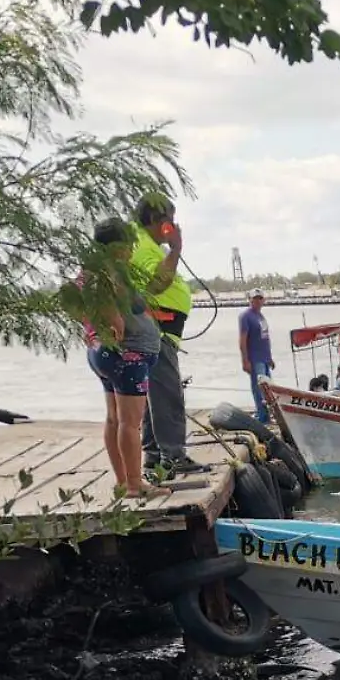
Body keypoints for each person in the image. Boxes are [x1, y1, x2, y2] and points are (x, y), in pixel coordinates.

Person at [76, 219, 168, 499]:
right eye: (128, 243)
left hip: (105, 353)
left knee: (115, 419)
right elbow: (112, 315)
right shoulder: (108, 275)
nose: (132, 249)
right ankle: (134, 483)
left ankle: (123, 480)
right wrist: (116, 331)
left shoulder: (88, 273)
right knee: (130, 422)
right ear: (117, 246)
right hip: (126, 355)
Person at [130, 194, 199, 476]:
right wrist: (176, 248)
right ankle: (173, 454)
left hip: (162, 331)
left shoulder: (148, 245)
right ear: (158, 222)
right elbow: (157, 284)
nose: (173, 225)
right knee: (168, 393)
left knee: (155, 395)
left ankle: (155, 454)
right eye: (170, 220)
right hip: (158, 330)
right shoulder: (144, 247)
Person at [238, 289, 276, 421]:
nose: (258, 301)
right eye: (255, 298)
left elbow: (266, 338)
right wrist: (245, 361)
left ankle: (268, 414)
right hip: (255, 358)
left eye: (260, 298)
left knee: (268, 389)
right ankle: (262, 416)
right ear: (250, 300)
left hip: (265, 358)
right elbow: (242, 339)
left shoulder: (261, 316)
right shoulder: (245, 316)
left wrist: (270, 358)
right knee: (258, 388)